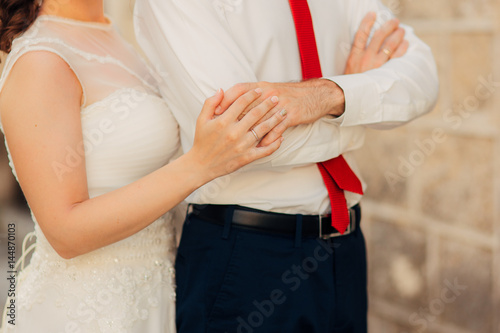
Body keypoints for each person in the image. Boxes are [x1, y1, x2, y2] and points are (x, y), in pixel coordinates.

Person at [134, 0, 439, 332]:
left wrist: (329, 95)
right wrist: (358, 107)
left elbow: (423, 78)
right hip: (246, 261)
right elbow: (241, 139)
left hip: (345, 248)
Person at [0, 0, 289, 331]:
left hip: (155, 296)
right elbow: (64, 231)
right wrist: (200, 165)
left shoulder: (112, 31)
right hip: (87, 312)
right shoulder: (40, 60)